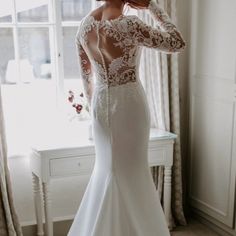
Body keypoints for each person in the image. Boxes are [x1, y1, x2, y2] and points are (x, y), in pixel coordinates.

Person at [68, 0, 185, 235]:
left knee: (107, 169)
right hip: (130, 106)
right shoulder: (130, 25)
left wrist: (98, 109)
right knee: (133, 171)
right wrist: (152, 6)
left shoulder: (84, 26)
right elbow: (177, 43)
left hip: (101, 106)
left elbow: (86, 80)